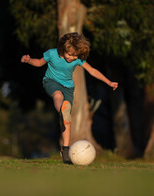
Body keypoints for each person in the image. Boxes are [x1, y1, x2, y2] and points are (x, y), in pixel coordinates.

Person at [21, 32, 118, 164]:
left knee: (66, 120)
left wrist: (109, 82)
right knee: (57, 95)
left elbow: (92, 71)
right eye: (69, 54)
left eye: (75, 55)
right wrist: (29, 60)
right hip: (50, 81)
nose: (72, 57)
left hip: (68, 87)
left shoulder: (78, 59)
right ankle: (62, 109)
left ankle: (65, 149)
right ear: (62, 49)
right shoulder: (52, 54)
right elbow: (38, 63)